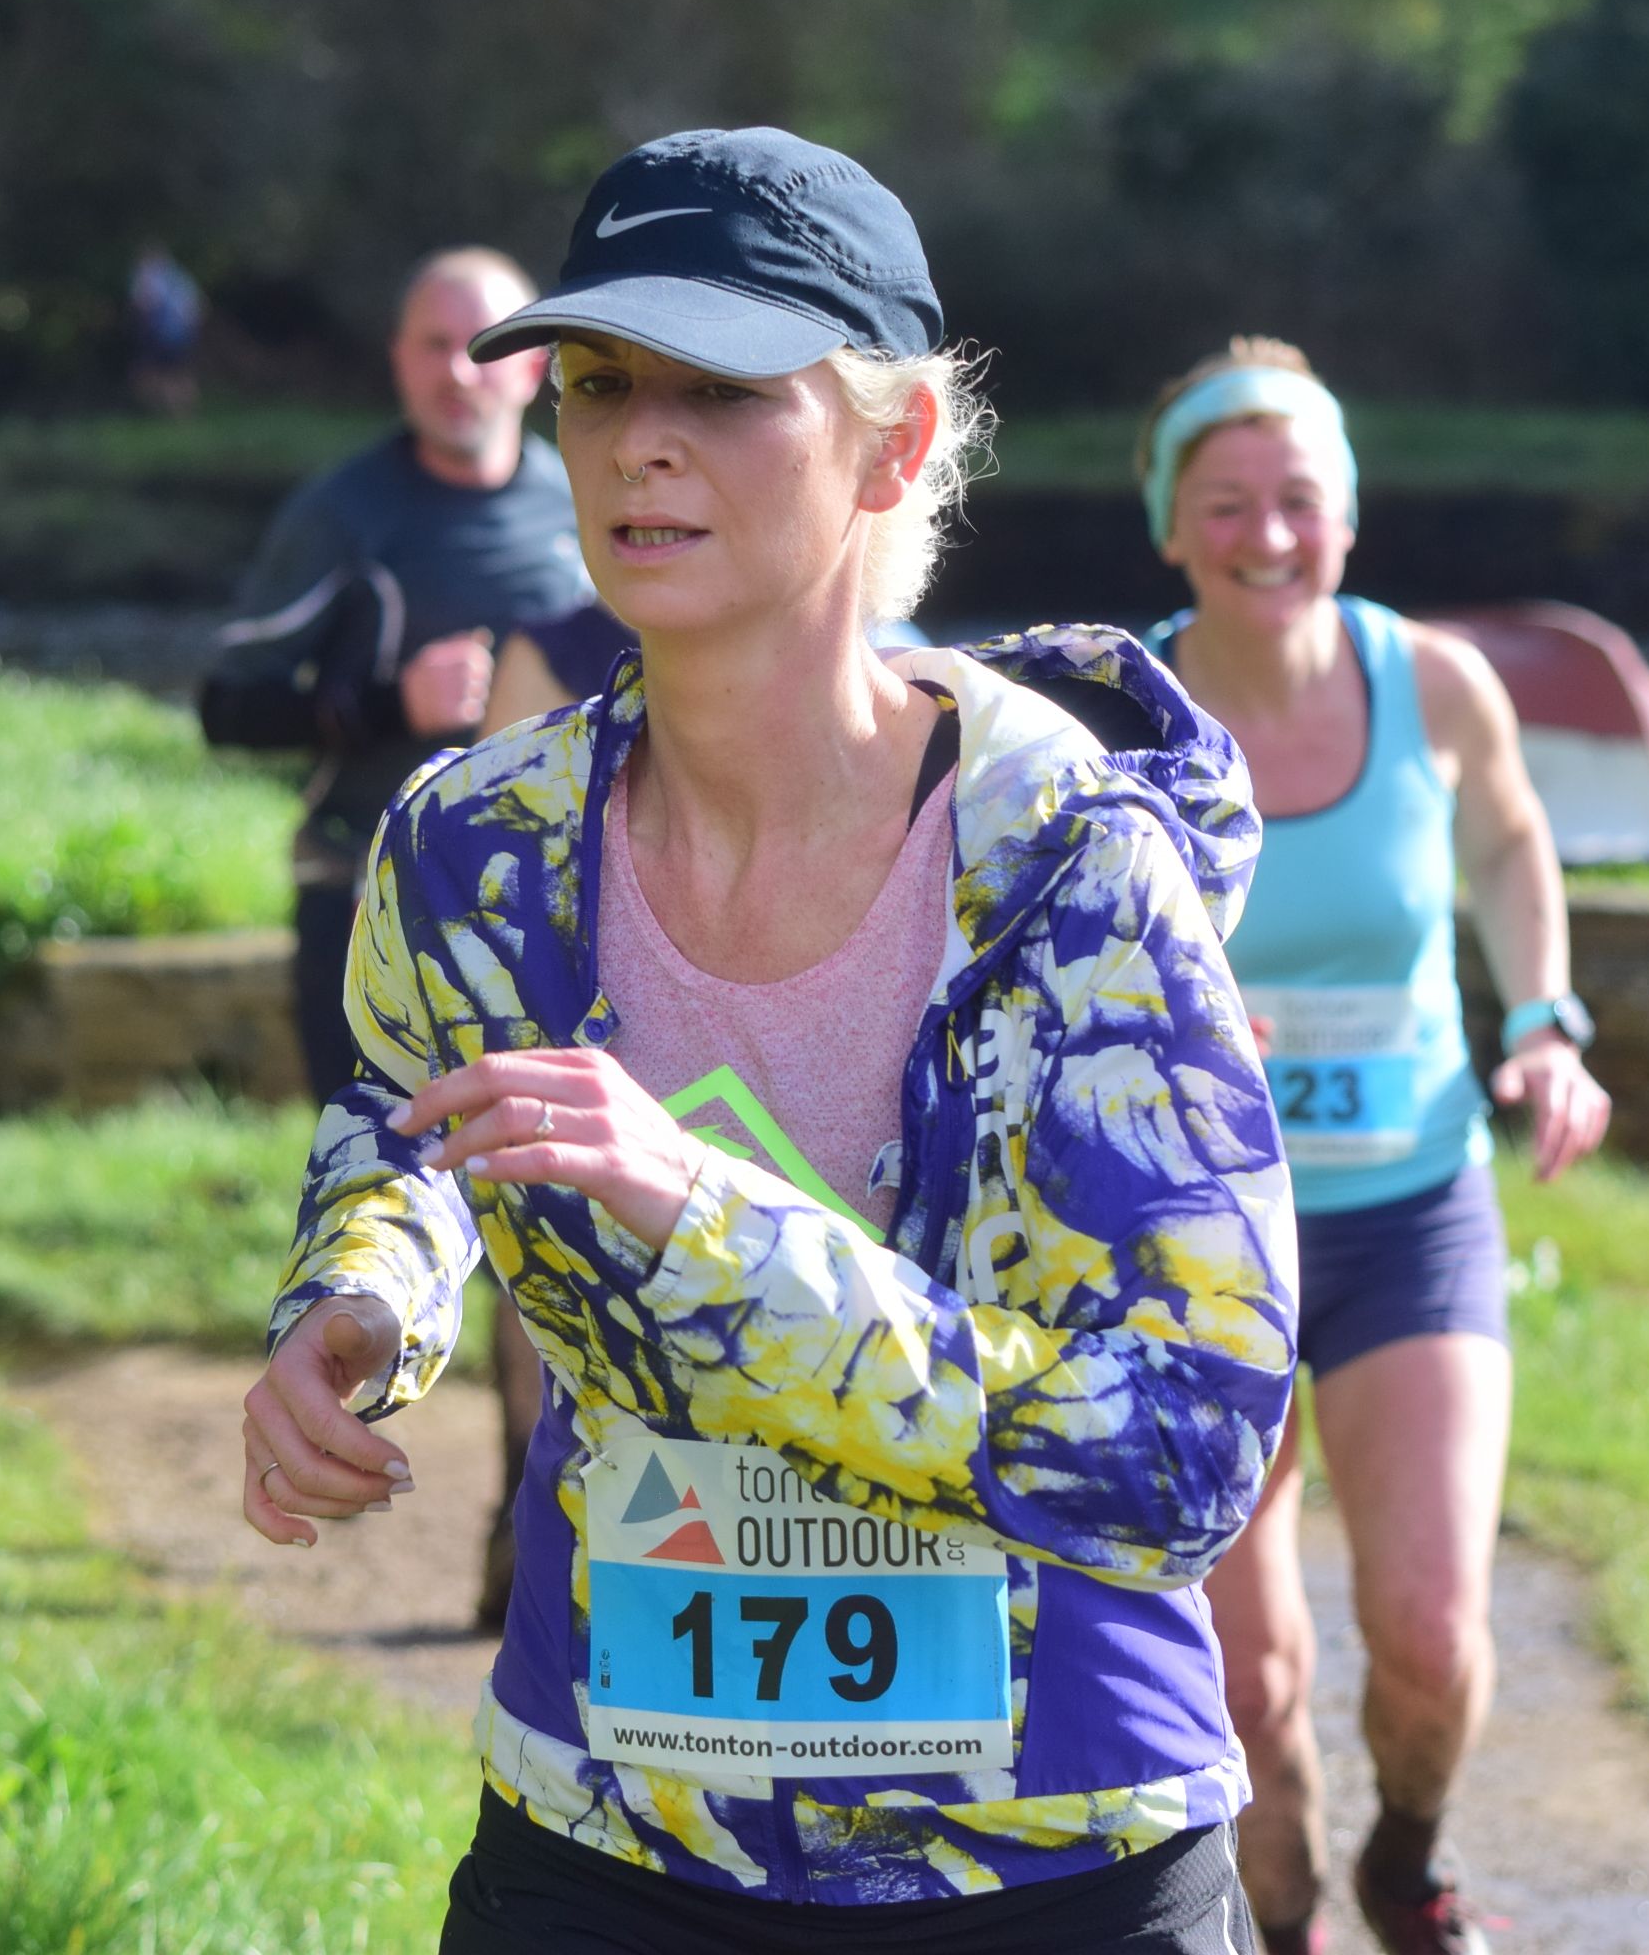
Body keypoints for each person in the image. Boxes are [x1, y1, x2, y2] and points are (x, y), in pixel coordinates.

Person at [237, 127, 1295, 1949]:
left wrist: (706, 1224)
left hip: (1045, 1865)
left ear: (895, 442)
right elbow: (410, 1120)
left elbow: (1184, 1452)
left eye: (721, 390)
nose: (636, 442)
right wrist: (363, 1298)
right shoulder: (471, 848)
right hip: (606, 1837)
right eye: (595, 383)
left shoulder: (1075, 874)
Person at [1138, 337, 1613, 1955]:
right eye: (1225, 503)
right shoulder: (1116, 715)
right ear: (1170, 525)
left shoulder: (1436, 685)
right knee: (1248, 1681)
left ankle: (1405, 1865)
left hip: (1410, 1210)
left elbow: (1510, 836)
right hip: (1198, 1233)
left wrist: (1543, 1018)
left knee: (1425, 1627)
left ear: (1346, 515)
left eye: (1299, 499)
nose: (1266, 536)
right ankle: (1281, 1932)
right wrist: (1170, 1032)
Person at [198, 245, 631, 1635]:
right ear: (397, 362)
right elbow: (227, 702)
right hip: (360, 896)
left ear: (533, 367)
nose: (459, 373)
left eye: (481, 345)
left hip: (560, 920)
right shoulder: (347, 513)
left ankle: (529, 1515)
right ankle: (363, 1398)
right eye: (431, 345)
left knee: (545, 1205)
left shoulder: (595, 501)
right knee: (414, 1184)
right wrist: (385, 701)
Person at [126, 242, 204, 417]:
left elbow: (145, 303)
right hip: (184, 334)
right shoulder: (180, 277)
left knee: (157, 374)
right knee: (180, 373)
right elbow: (197, 307)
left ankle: (169, 413)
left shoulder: (149, 277)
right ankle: (184, 413)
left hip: (158, 334)